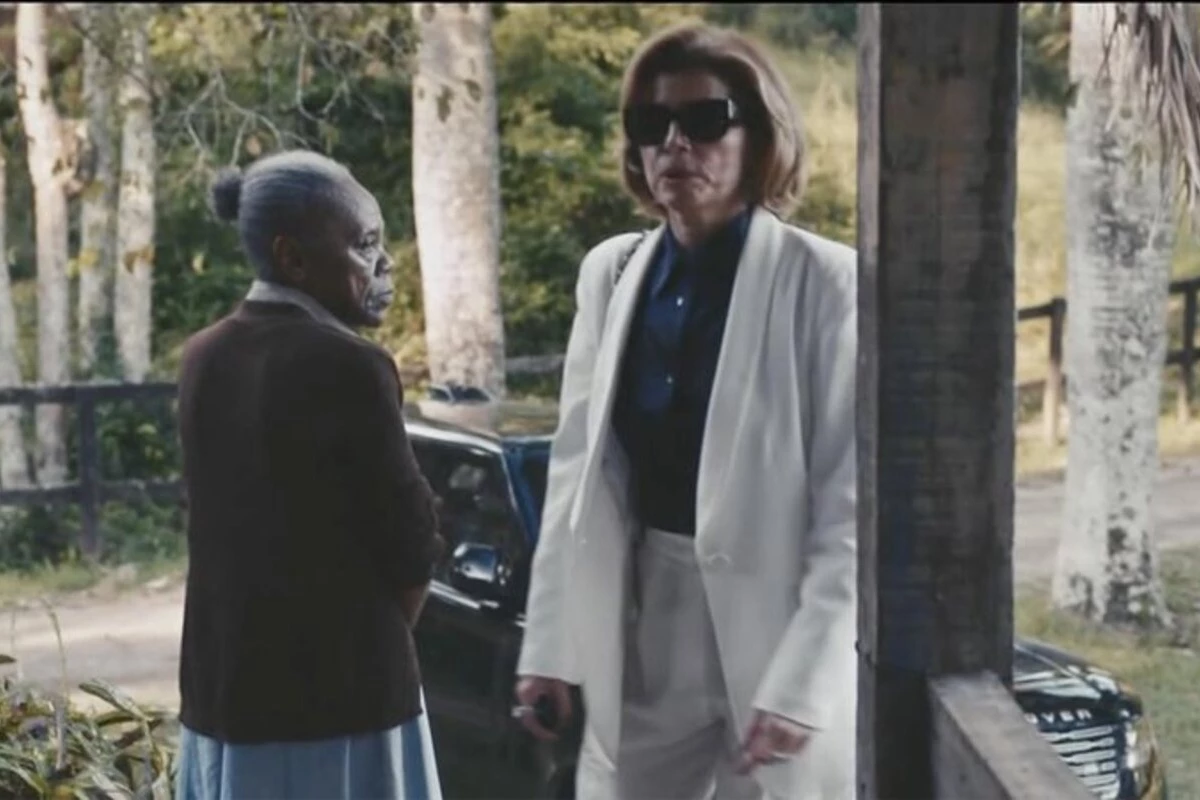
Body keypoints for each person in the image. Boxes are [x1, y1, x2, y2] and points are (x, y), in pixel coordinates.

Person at [513, 22, 857, 800]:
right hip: (649, 620)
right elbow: (577, 470)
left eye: (704, 120)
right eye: (651, 124)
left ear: (758, 135)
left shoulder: (828, 283)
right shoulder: (611, 273)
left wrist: (805, 680)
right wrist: (552, 647)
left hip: (778, 626)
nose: (675, 143)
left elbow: (852, 509)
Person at [174, 150, 445, 800]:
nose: (382, 264)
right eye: (364, 244)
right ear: (292, 258)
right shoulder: (352, 365)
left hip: (224, 692)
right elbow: (410, 544)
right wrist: (371, 640)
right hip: (341, 707)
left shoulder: (200, 356)